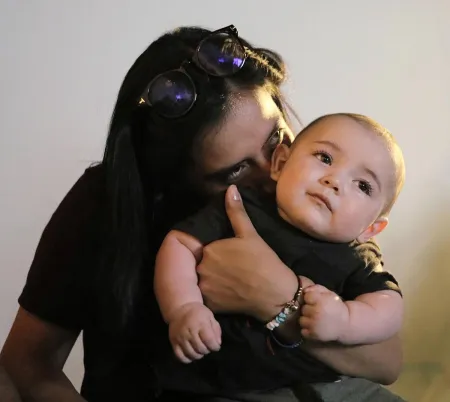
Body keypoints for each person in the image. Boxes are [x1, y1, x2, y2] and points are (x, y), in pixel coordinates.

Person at [0, 25, 405, 402]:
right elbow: (27, 362)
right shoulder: (105, 203)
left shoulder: (324, 199)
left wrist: (278, 298)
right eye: (236, 170)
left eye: (276, 139)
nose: (273, 171)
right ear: (177, 179)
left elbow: (385, 363)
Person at [155, 112, 405, 371]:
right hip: (214, 376)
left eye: (363, 186)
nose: (335, 181)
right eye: (325, 158)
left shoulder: (358, 257)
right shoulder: (242, 205)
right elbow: (181, 244)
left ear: (372, 228)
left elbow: (389, 307)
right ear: (281, 163)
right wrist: (184, 307)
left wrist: (346, 321)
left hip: (311, 384)